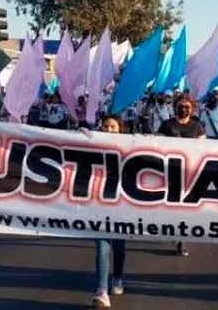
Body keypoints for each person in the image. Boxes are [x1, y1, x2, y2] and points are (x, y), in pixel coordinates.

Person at [83, 115, 128, 308]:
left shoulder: (129, 147)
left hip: (122, 200)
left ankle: (117, 277)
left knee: (118, 245)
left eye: (113, 127)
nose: (109, 130)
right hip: (99, 199)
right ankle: (101, 291)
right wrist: (81, 138)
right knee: (102, 247)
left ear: (120, 129)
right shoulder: (94, 146)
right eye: (106, 126)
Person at [156, 94, 205, 256]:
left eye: (187, 107)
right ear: (175, 107)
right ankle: (174, 231)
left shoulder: (197, 126)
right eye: (180, 106)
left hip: (189, 171)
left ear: (192, 109)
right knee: (172, 205)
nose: (183, 109)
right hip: (169, 171)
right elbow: (156, 144)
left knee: (184, 207)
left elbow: (205, 149)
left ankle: (181, 240)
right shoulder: (167, 124)